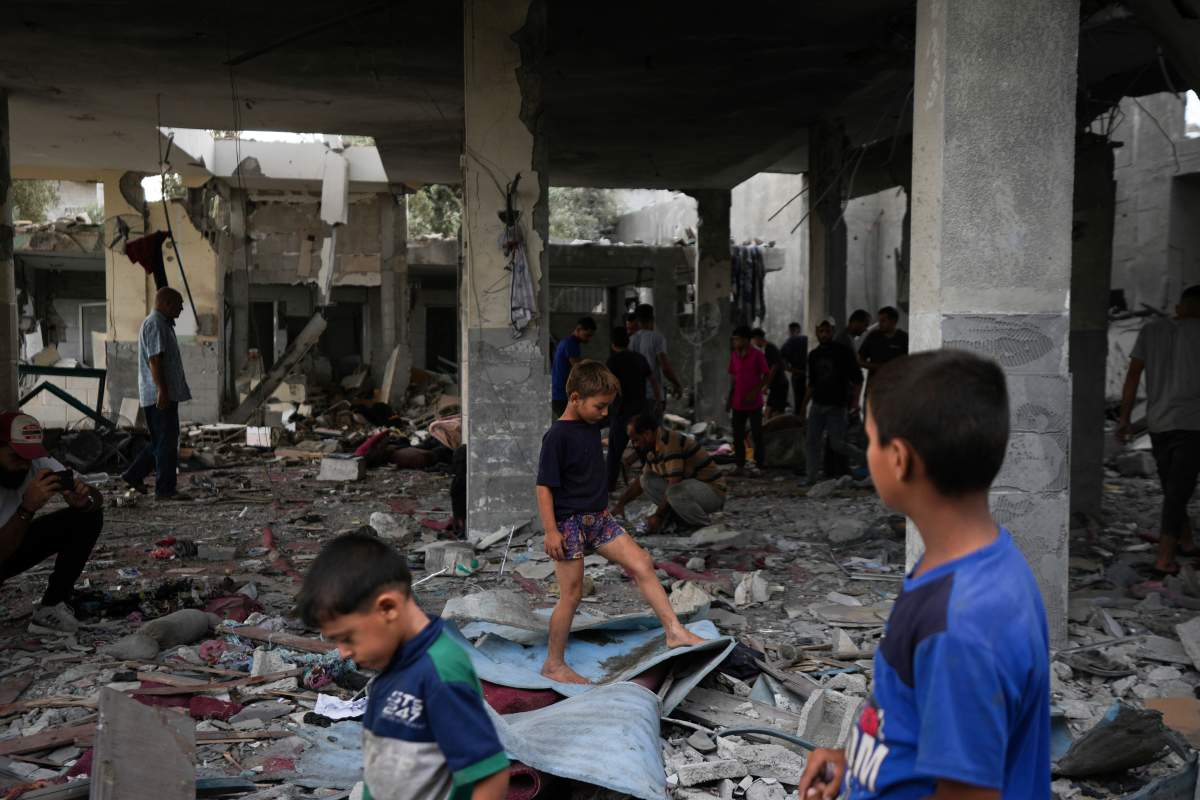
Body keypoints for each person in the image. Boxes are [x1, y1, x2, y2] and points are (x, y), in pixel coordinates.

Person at [798, 350, 1050, 800]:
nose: (867, 449)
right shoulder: (967, 562)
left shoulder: (962, 623)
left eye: (870, 437)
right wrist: (855, 763)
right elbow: (917, 714)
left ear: (899, 459)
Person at [295, 533, 510, 800]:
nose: (342, 653)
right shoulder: (394, 664)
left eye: (347, 637)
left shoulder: (440, 671)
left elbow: (490, 777)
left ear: (387, 608)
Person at [536, 360, 705, 684]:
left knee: (642, 562)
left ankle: (674, 631)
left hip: (599, 519)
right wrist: (551, 531)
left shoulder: (589, 425)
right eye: (599, 406)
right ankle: (554, 664)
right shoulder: (556, 435)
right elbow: (544, 486)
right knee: (571, 594)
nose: (604, 413)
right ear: (574, 398)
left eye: (607, 406)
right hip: (569, 522)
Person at [1118, 285, 1200, 576]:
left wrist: (1124, 418)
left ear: (1180, 307)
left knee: (1173, 488)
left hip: (1159, 423)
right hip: (1192, 424)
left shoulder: (1151, 331)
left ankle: (1187, 542)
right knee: (1178, 492)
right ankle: (1164, 559)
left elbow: (1132, 376)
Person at [0, 412, 104, 633]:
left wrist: (84, 500)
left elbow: (96, 498)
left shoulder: (34, 461)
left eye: (27, 458)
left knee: (86, 518)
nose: (23, 466)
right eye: (15, 457)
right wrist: (27, 509)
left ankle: (51, 606)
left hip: (11, 544)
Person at [121, 287, 192, 500]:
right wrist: (162, 390)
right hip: (160, 395)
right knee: (166, 443)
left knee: (162, 441)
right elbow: (154, 360)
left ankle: (133, 475)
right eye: (179, 305)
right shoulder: (155, 324)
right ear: (167, 303)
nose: (181, 309)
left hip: (164, 393)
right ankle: (165, 490)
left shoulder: (163, 324)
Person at [613, 412, 727, 532]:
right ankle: (680, 519)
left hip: (713, 492)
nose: (635, 445)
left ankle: (701, 525)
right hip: (692, 488)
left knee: (674, 491)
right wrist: (621, 504)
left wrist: (658, 516)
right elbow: (639, 484)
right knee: (646, 480)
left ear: (647, 434)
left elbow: (674, 482)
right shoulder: (653, 447)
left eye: (636, 440)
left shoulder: (669, 443)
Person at [803, 319, 864, 486]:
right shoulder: (814, 355)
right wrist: (803, 407)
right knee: (811, 442)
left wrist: (855, 402)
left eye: (827, 331)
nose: (824, 334)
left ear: (833, 331)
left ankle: (867, 459)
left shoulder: (843, 352)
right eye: (821, 331)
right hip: (817, 404)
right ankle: (811, 478)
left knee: (837, 444)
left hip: (837, 405)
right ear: (816, 331)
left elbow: (857, 378)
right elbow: (812, 383)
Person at [605, 326, 661, 492]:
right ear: (628, 341)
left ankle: (609, 486)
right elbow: (653, 380)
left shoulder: (612, 361)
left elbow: (607, 386)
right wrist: (658, 401)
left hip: (621, 412)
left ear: (613, 343)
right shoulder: (639, 358)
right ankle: (652, 484)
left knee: (615, 452)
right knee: (646, 449)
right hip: (639, 412)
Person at [728, 325, 771, 471]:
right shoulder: (734, 355)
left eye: (737, 339)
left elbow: (767, 374)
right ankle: (740, 464)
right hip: (738, 402)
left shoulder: (757, 355)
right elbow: (734, 377)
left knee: (757, 433)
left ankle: (760, 463)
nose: (735, 343)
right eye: (734, 340)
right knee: (737, 435)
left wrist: (756, 391)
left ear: (746, 340)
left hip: (754, 403)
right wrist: (730, 398)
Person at [629, 304, 684, 408]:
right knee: (653, 424)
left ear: (637, 320)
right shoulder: (657, 338)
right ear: (652, 319)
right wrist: (677, 384)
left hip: (635, 395)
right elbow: (665, 368)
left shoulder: (631, 340)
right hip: (653, 396)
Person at [550, 316, 596, 418]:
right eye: (587, 335)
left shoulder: (567, 342)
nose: (588, 339)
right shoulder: (571, 344)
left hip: (559, 393)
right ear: (578, 329)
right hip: (561, 394)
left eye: (590, 336)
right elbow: (578, 368)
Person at [858, 306, 908, 386]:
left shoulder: (904, 338)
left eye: (883, 321)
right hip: (874, 387)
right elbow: (860, 360)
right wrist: (877, 367)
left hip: (896, 387)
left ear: (894, 321)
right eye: (879, 321)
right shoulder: (873, 336)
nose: (879, 324)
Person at [751, 328, 789, 420]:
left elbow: (774, 367)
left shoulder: (770, 348)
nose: (754, 343)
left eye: (753, 340)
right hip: (776, 386)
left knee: (776, 414)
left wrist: (767, 385)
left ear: (757, 338)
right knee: (768, 413)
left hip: (780, 385)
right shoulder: (766, 350)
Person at [779, 321, 809, 414]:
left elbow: (784, 366)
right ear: (799, 330)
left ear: (789, 331)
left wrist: (798, 371)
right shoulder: (806, 340)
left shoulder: (787, 344)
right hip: (810, 376)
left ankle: (799, 423)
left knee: (799, 402)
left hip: (797, 376)